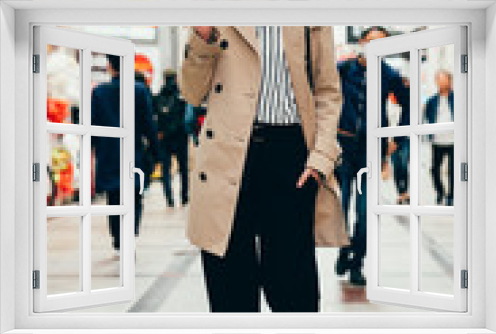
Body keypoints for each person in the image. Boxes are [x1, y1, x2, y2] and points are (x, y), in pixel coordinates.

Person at [180, 26, 348, 313]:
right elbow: (192, 93)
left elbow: (327, 91)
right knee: (230, 291)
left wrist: (321, 158)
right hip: (227, 154)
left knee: (294, 292)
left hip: (291, 157)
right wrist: (203, 39)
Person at [335, 26, 410, 286]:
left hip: (371, 151)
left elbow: (408, 104)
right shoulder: (343, 70)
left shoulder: (390, 74)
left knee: (366, 213)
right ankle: (344, 249)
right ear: (361, 43)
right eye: (372, 42)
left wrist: (397, 139)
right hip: (342, 148)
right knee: (340, 208)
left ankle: (357, 261)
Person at [91, 54, 160, 254]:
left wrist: (93, 148)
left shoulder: (99, 92)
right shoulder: (139, 90)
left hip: (108, 153)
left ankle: (118, 237)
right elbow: (148, 122)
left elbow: (93, 124)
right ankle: (129, 232)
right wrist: (156, 151)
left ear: (110, 67)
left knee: (114, 196)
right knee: (134, 194)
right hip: (132, 151)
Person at [155, 70, 189, 208]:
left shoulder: (158, 97)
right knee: (183, 169)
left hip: (164, 138)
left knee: (165, 170)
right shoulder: (182, 98)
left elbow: (155, 118)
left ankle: (169, 198)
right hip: (180, 138)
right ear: (175, 78)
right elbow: (186, 118)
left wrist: (160, 133)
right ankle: (184, 196)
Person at [423, 70, 454, 206]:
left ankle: (451, 196)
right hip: (437, 140)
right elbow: (428, 118)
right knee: (434, 169)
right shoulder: (431, 101)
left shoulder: (457, 98)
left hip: (454, 140)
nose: (441, 82)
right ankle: (440, 193)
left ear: (449, 81)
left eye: (444, 79)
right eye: (439, 80)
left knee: (453, 170)